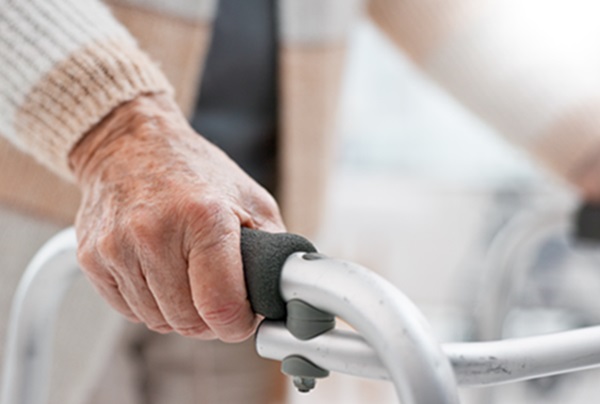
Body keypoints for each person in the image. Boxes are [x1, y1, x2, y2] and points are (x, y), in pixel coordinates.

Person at [2, 0, 600, 403]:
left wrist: (590, 151)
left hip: (250, 255)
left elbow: (442, 17)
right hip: (44, 220)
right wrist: (117, 132)